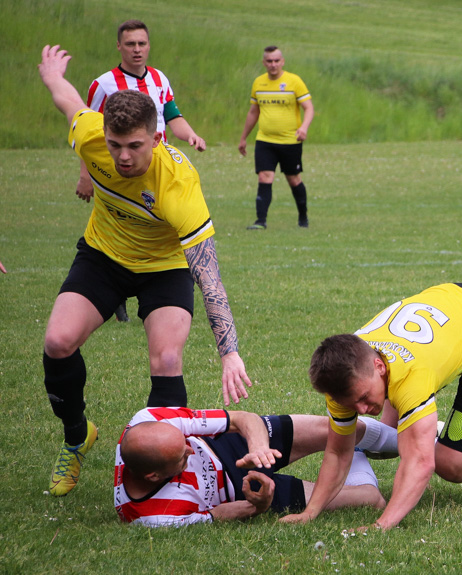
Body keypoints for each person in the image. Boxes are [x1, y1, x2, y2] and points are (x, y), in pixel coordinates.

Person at [38, 44, 252, 497]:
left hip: (164, 267)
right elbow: (67, 101)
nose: (123, 157)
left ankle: (168, 474)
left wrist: (228, 351)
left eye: (134, 146)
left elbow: (208, 275)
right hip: (104, 256)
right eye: (115, 146)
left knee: (168, 358)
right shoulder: (92, 136)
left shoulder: (178, 184)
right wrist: (53, 73)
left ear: (156, 139)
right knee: (57, 342)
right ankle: (77, 437)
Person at [280, 283, 462, 530]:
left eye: (364, 398)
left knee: (451, 464)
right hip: (453, 310)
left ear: (378, 366)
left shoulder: (411, 375)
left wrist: (381, 525)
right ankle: (420, 424)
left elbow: (421, 462)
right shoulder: (343, 377)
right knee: (386, 435)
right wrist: (310, 512)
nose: (361, 410)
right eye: (353, 404)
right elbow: (338, 453)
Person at [77, 20, 207, 323]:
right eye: (130, 44)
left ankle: (156, 290)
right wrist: (85, 175)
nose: (137, 49)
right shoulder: (104, 84)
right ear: (119, 46)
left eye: (142, 43)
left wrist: (190, 135)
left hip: (154, 167)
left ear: (149, 45)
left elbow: (173, 115)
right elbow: (90, 134)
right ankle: (110, 288)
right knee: (114, 225)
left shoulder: (159, 78)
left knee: (162, 227)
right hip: (117, 168)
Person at [115, 406, 398, 526]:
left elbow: (243, 418)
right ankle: (358, 455)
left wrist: (259, 449)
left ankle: (419, 439)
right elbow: (223, 513)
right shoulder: (154, 518)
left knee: (343, 429)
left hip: (232, 443)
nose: (190, 448)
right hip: (243, 491)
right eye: (181, 456)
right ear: (152, 475)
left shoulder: (149, 419)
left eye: (185, 441)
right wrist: (260, 504)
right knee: (369, 500)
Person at [239, 45, 314, 230]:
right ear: (264, 63)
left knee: (293, 179)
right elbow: (253, 112)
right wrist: (243, 138)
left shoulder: (294, 81)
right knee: (264, 177)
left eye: (276, 61)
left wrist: (303, 128)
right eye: (269, 61)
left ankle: (303, 216)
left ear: (282, 61)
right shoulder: (258, 83)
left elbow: (309, 108)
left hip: (290, 141)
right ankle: (260, 221)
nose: (273, 65)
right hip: (265, 140)